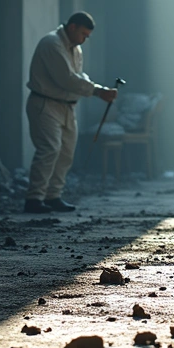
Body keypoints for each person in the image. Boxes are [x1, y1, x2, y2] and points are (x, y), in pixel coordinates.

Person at [24, 12, 118, 213]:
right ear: (73, 27)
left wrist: (96, 88)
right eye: (83, 34)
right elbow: (66, 78)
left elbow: (78, 76)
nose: (85, 39)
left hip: (67, 106)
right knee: (49, 149)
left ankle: (53, 196)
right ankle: (34, 197)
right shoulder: (52, 44)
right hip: (45, 104)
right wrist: (98, 91)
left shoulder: (76, 49)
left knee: (65, 153)